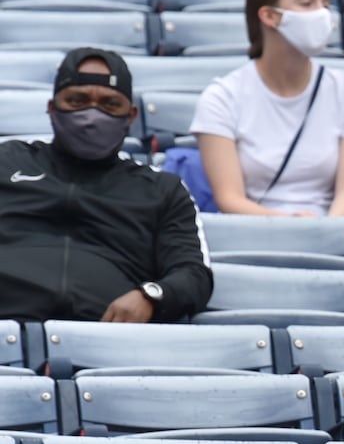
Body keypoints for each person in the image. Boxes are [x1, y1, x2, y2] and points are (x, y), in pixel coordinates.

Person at [0, 48, 212, 323]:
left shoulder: (162, 189)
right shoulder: (7, 162)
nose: (92, 115)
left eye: (110, 104)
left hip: (110, 340)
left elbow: (193, 274)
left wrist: (151, 295)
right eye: (77, 100)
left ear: (131, 116)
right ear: (52, 108)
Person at [191, 0, 344, 217]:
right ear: (269, 16)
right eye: (307, 3)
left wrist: (328, 230)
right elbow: (229, 199)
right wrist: (289, 224)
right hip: (250, 235)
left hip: (330, 235)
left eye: (325, 3)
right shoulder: (222, 97)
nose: (321, 14)